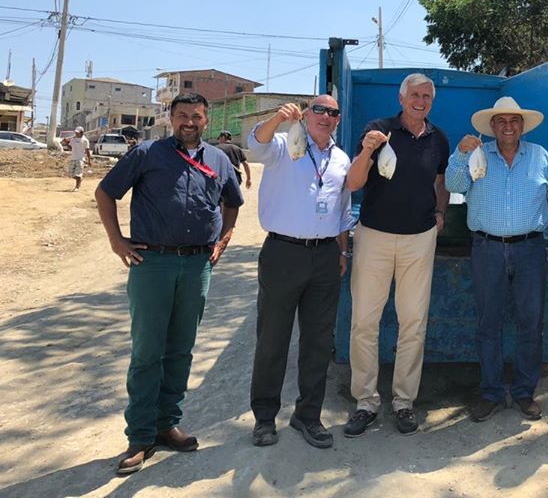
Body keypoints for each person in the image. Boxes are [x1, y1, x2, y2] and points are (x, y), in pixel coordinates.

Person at [95, 92, 242, 475]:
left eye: (196, 116)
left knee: (180, 349)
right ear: (171, 118)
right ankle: (140, 436)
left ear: (206, 120)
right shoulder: (147, 154)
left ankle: (167, 424)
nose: (189, 122)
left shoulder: (219, 159)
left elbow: (233, 202)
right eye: (182, 115)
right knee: (148, 352)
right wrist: (116, 240)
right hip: (153, 264)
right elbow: (105, 192)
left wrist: (223, 239)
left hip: (197, 266)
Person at [445, 96, 548, 423]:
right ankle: (491, 393)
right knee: (489, 323)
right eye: (502, 121)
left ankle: (525, 392)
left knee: (531, 322)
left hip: (530, 250)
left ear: (522, 125)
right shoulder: (477, 154)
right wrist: (459, 154)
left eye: (514, 121)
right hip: (487, 249)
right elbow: (453, 185)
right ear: (492, 126)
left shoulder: (539, 156)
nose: (508, 127)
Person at [344, 73, 450, 437]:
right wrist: (367, 150)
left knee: (413, 323)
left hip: (419, 239)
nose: (420, 101)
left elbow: (440, 182)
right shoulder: (378, 130)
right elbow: (354, 182)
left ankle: (404, 402)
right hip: (374, 236)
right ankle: (365, 401)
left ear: (432, 102)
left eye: (426, 96)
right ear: (401, 98)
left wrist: (440, 213)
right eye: (414, 95)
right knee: (364, 322)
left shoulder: (439, 139)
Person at [245, 96, 353, 449]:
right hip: (283, 253)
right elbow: (255, 144)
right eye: (319, 110)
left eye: (333, 113)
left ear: (338, 120)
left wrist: (341, 251)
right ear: (306, 115)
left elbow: (342, 209)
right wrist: (277, 118)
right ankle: (264, 418)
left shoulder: (341, 159)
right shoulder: (282, 144)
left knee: (318, 342)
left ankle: (308, 415)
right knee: (272, 339)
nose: (326, 116)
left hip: (325, 256)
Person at [68, 126, 91, 191]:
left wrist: (89, 160)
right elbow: (70, 148)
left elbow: (87, 151)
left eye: (77, 132)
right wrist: (66, 143)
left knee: (78, 174)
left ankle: (77, 187)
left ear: (81, 133)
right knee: (71, 174)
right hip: (73, 158)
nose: (76, 134)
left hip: (80, 159)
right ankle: (80, 179)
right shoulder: (73, 139)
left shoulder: (85, 140)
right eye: (76, 132)